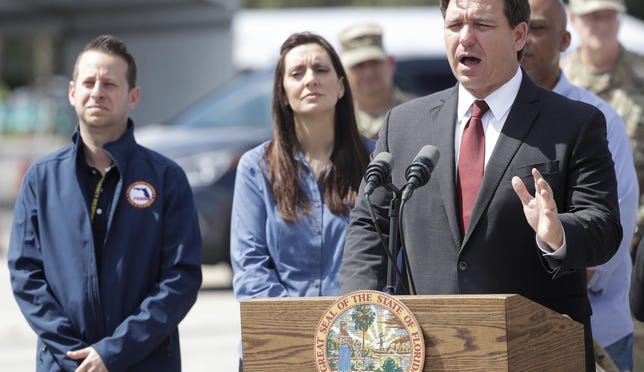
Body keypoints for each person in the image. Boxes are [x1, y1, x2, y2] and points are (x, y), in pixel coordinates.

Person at [338, 0, 622, 370]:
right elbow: (370, 226)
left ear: (519, 35)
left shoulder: (575, 123)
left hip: (536, 350)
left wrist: (558, 233)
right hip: (430, 349)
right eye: (454, 25)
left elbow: (602, 225)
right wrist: (359, 310)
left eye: (482, 25)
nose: (465, 38)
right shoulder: (403, 124)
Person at [7, 35, 203, 372]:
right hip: (64, 363)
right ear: (72, 92)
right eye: (89, 82)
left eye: (110, 83)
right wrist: (76, 356)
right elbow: (26, 275)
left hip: (146, 362)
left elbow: (180, 279)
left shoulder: (166, 178)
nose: (97, 91)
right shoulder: (41, 179)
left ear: (133, 96)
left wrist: (113, 353)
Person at [230, 32, 371, 369]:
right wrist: (302, 330)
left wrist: (340, 333)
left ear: (340, 86)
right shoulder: (255, 167)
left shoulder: (377, 161)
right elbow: (250, 268)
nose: (310, 79)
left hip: (356, 349)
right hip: (276, 346)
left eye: (321, 70)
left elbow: (388, 260)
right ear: (283, 92)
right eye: (297, 73)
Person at [520, 0, 637, 370]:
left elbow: (605, 243)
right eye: (515, 28)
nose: (523, 40)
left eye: (536, 28)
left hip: (592, 330)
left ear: (565, 38)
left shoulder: (598, 119)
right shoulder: (479, 119)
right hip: (503, 330)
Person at [561, 0, 644, 257]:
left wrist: (635, 226)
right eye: (592, 17)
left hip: (638, 241)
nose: (602, 25)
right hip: (570, 238)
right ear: (573, 19)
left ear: (619, 20)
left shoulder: (641, 75)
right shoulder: (557, 79)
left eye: (608, 16)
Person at [337, 22, 414, 140]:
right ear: (341, 72)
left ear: (391, 63)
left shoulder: (418, 112)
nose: (368, 72)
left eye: (375, 62)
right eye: (359, 65)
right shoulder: (334, 120)